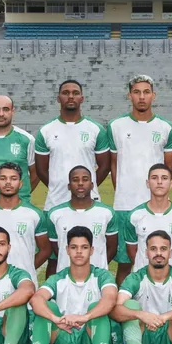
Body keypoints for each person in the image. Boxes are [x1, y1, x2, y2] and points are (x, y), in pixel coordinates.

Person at [21, 226, 117, 344]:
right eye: (74, 247)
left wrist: (85, 317)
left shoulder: (102, 275)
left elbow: (110, 299)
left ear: (92, 250)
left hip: (89, 339)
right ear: (67, 250)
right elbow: (36, 299)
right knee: (47, 307)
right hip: (61, 336)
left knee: (97, 308)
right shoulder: (58, 278)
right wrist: (56, 319)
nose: (79, 252)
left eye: (84, 247)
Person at [35, 80, 110, 277]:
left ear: (82, 98)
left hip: (88, 202)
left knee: (88, 251)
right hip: (55, 202)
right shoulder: (46, 131)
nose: (70, 96)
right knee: (55, 257)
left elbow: (104, 166)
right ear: (58, 97)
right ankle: (53, 298)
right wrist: (59, 187)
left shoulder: (95, 129)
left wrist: (83, 190)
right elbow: (42, 169)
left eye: (75, 93)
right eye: (66, 93)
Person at [107, 75, 172, 285]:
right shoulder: (116, 126)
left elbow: (169, 167)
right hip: (125, 205)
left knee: (158, 258)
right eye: (137, 92)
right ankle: (123, 308)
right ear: (130, 95)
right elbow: (113, 164)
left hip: (154, 206)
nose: (142, 97)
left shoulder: (165, 127)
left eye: (146, 92)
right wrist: (123, 191)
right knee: (125, 263)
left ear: (153, 95)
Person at [0, 162, 51, 286]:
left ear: (20, 184)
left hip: (24, 284)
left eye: (13, 178)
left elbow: (45, 250)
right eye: (3, 178)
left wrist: (27, 270)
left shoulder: (34, 214)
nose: (8, 182)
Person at [124, 164, 172, 281]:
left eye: (164, 178)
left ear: (171, 184)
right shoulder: (134, 216)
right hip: (142, 280)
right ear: (147, 183)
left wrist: (171, 267)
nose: (159, 182)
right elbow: (132, 251)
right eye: (154, 178)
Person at [46, 166, 118, 274]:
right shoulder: (55, 214)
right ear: (69, 186)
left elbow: (112, 248)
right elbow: (57, 249)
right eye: (75, 180)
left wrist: (96, 268)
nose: (80, 183)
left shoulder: (107, 213)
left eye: (85, 179)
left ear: (92, 185)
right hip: (66, 277)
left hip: (97, 277)